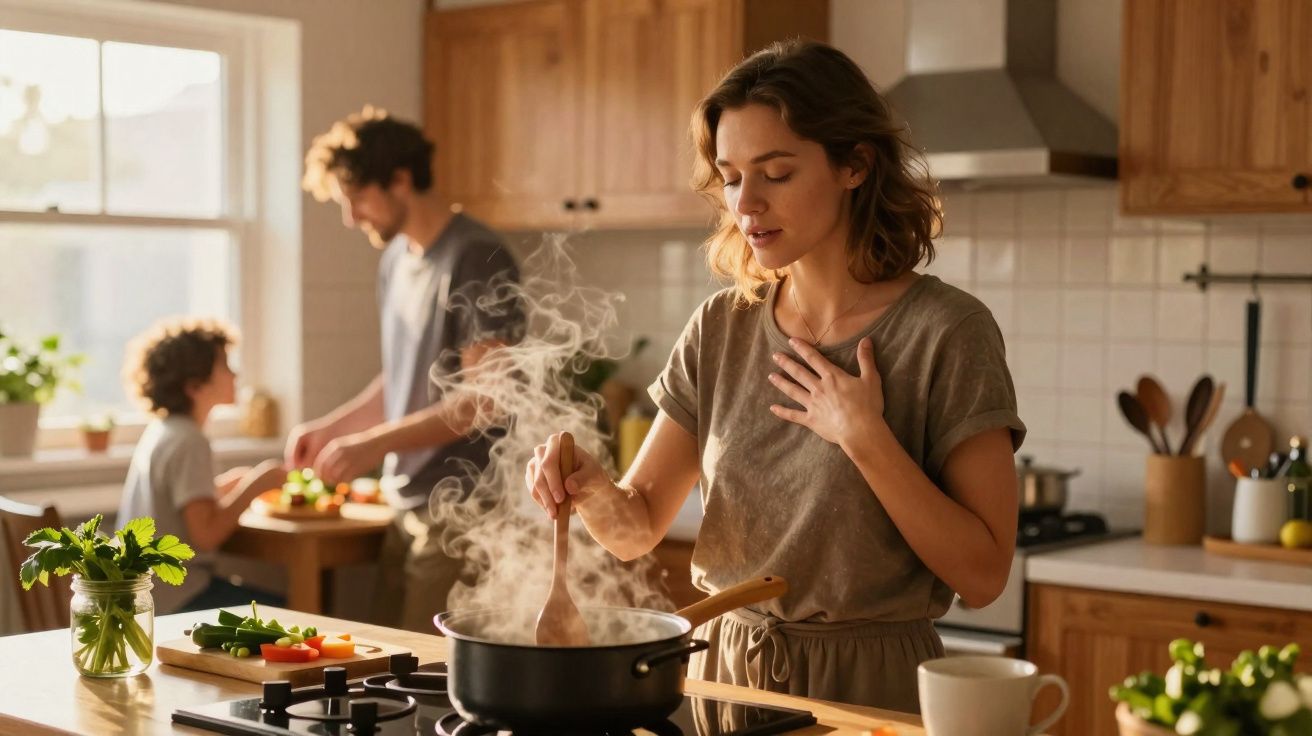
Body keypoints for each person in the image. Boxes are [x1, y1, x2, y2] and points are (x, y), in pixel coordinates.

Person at [524, 40, 1025, 713]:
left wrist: (865, 437)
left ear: (855, 164)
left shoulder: (948, 332)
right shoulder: (721, 327)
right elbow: (637, 526)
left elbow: (985, 574)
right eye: (731, 176)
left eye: (777, 172)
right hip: (727, 678)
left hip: (870, 688)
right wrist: (588, 487)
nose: (747, 203)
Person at [293, 106, 524, 631]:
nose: (351, 217)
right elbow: (403, 379)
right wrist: (333, 428)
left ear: (399, 179)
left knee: (430, 675)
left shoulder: (476, 255)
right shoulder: (396, 259)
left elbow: (481, 400)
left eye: (356, 197)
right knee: (388, 664)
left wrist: (372, 444)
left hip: (463, 505)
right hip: (408, 501)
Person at [117, 318, 286, 614]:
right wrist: (255, 486)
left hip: (147, 594)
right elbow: (206, 536)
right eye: (224, 365)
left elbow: (175, 502)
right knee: (289, 610)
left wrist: (220, 487)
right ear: (195, 385)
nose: (235, 374)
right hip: (176, 597)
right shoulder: (190, 441)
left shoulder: (165, 430)